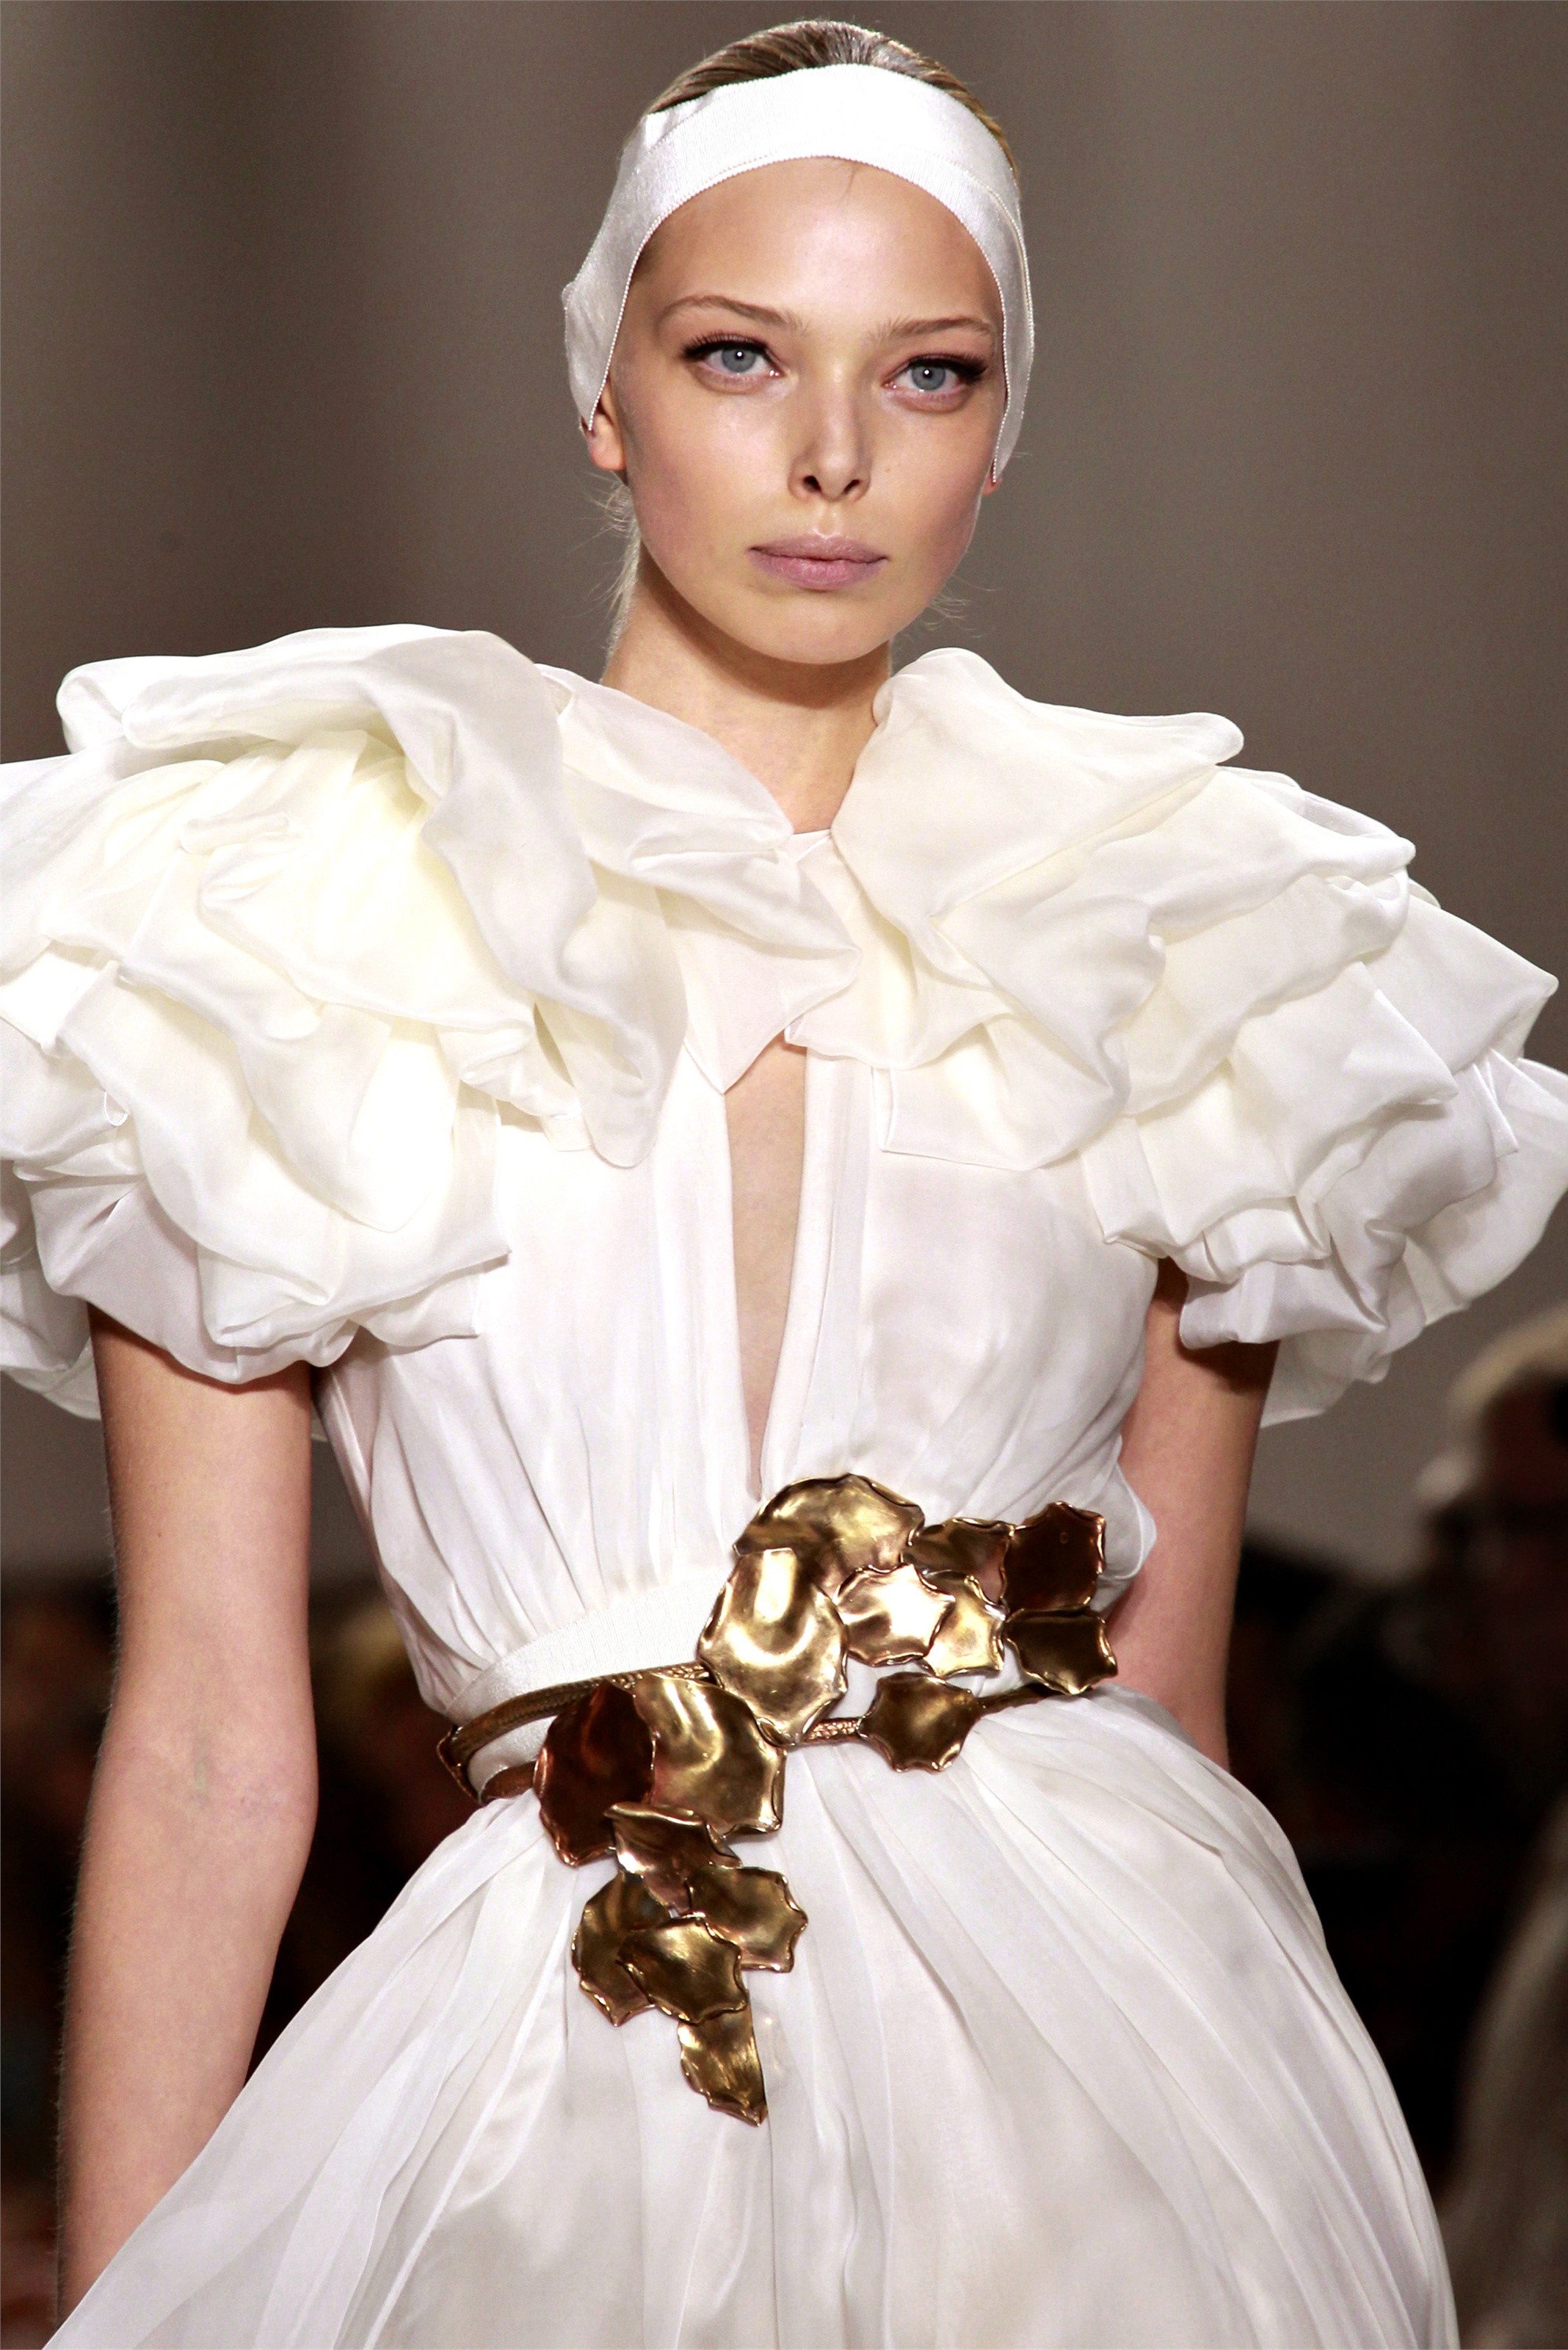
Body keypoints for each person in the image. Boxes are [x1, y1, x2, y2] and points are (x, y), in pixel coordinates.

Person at [4, 19, 1567, 2347]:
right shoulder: (288, 916)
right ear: (604, 389)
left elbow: (1164, 1700)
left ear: (1000, 430)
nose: (834, 452)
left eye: (929, 373)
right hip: (547, 2091)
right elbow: (216, 1747)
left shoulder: (1175, 928)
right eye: (739, 353)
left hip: (1115, 2102)